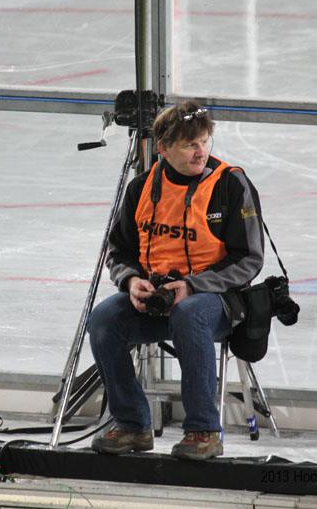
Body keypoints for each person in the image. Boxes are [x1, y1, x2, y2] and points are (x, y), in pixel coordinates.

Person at [87, 100, 265, 460]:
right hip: (156, 295)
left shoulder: (230, 185)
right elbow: (118, 251)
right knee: (104, 320)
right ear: (164, 149)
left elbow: (250, 259)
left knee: (190, 314)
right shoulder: (141, 188)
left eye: (204, 142)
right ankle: (133, 424)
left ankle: (203, 431)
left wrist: (195, 285)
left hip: (214, 299)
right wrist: (131, 281)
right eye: (190, 145)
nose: (201, 152)